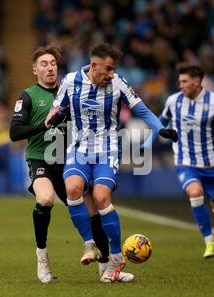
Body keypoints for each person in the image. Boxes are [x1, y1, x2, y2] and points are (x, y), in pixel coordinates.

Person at [45, 43, 177, 283]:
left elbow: (142, 110)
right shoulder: (71, 81)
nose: (111, 74)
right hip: (79, 150)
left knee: (101, 196)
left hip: (107, 150)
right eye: (108, 69)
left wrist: (161, 129)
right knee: (72, 189)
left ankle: (116, 256)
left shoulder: (118, 83)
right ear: (94, 65)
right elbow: (53, 112)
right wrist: (52, 119)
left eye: (114, 69)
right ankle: (89, 245)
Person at [9, 45, 134, 283]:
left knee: (93, 211)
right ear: (34, 70)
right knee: (45, 199)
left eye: (53, 63)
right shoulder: (28, 96)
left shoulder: (74, 88)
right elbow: (15, 132)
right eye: (44, 64)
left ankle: (106, 266)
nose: (50, 68)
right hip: (42, 160)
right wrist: (44, 125)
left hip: (71, 160)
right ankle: (42, 258)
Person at [157, 63, 214, 261]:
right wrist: (147, 143)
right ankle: (209, 241)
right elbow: (160, 121)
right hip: (185, 161)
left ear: (197, 82)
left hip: (210, 164)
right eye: (180, 81)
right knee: (195, 193)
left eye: (185, 81)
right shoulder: (174, 101)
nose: (180, 85)